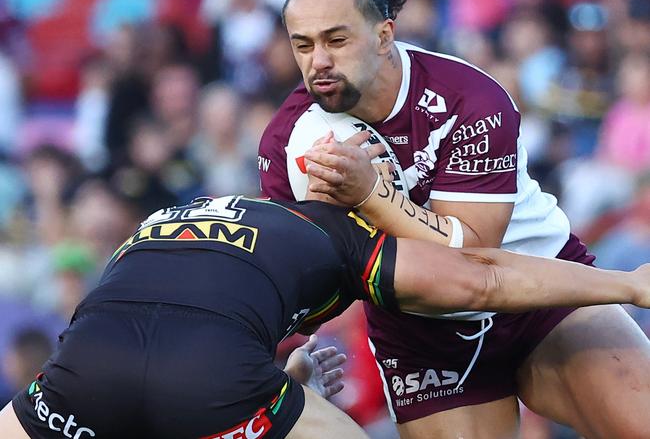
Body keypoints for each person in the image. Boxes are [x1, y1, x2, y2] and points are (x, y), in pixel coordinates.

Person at [257, 0, 650, 438]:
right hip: (421, 335)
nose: (318, 61)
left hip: (543, 287)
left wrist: (370, 196)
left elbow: (473, 258)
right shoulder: (287, 142)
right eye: (304, 45)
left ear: (384, 36)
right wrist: (290, 369)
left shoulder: (467, 97)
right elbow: (301, 287)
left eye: (336, 40)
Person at [2, 195, 650, 439]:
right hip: (210, 376)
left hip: (83, 366)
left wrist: (278, 369)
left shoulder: (176, 213)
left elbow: (171, 305)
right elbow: (480, 277)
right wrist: (625, 283)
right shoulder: (344, 233)